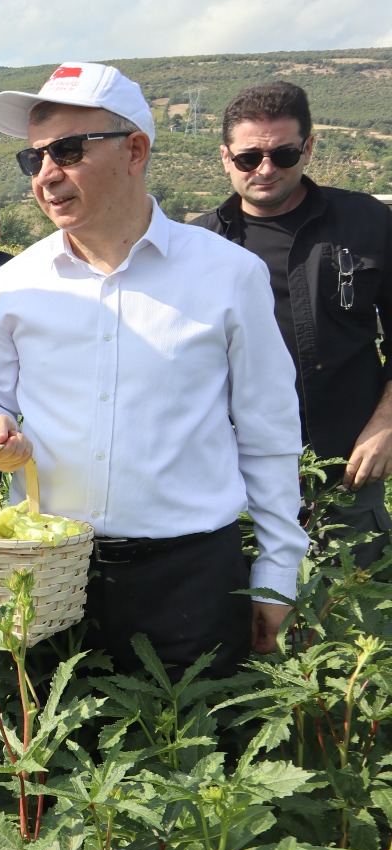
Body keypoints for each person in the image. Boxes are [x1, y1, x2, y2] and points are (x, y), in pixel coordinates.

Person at [0, 63, 307, 677]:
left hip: (191, 580)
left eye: (68, 150)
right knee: (48, 764)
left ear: (136, 150)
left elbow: (269, 429)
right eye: (33, 158)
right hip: (45, 573)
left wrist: (278, 573)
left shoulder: (229, 277)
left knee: (195, 762)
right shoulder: (8, 288)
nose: (46, 174)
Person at [191, 82, 392, 570]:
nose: (265, 169)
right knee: (244, 627)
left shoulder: (366, 221)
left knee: (345, 621)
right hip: (231, 478)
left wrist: (387, 424)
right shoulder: (196, 245)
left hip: (346, 471)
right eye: (248, 158)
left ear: (308, 147)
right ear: (224, 157)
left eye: (283, 154)